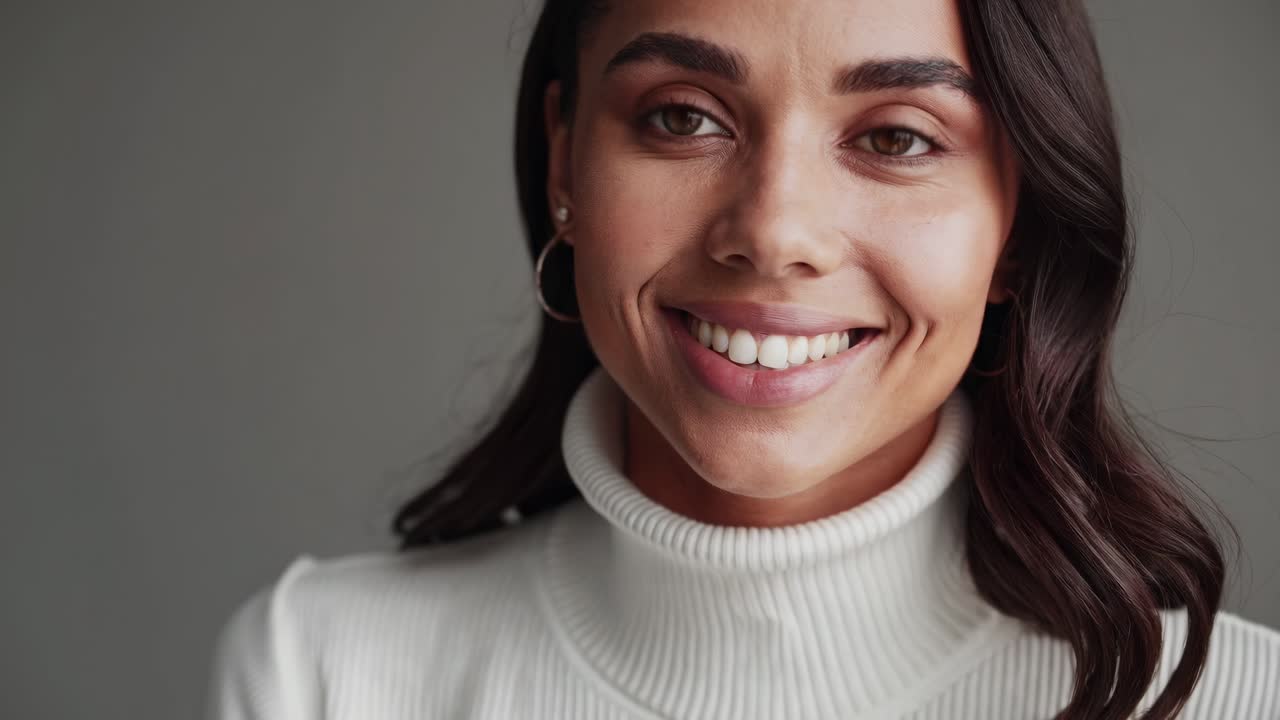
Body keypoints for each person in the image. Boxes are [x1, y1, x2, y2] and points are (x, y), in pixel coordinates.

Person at [206, 0, 1280, 718]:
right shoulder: (324, 675)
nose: (771, 233)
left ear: (1018, 225)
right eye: (682, 118)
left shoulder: (1236, 703)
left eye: (896, 137)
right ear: (564, 160)